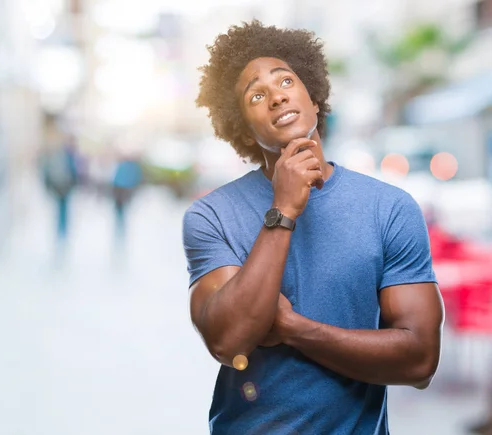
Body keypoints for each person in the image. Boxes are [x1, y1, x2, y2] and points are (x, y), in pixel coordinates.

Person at [182, 21, 444, 435]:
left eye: (286, 79)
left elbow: (420, 361)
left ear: (314, 97)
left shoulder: (390, 208)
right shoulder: (211, 216)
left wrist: (293, 328)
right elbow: (229, 342)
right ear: (242, 127)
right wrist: (283, 209)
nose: (276, 95)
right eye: (256, 94)